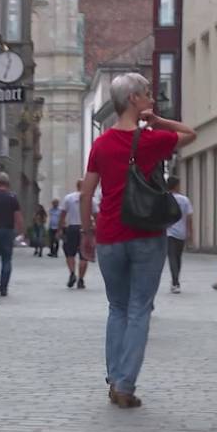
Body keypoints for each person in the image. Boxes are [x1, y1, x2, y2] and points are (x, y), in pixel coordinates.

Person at [80, 72, 196, 408]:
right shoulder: (152, 139)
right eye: (146, 94)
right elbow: (190, 133)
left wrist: (87, 232)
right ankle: (125, 385)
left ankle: (115, 376)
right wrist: (158, 121)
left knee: (116, 307)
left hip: (110, 235)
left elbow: (88, 191)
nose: (150, 99)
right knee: (139, 309)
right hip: (146, 233)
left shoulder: (100, 144)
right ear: (133, 100)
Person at [59, 180, 90, 289]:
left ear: (76, 186)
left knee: (70, 253)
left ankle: (72, 273)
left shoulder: (68, 198)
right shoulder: (90, 199)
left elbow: (62, 214)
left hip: (72, 227)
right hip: (85, 228)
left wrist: (60, 229)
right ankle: (81, 280)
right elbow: (96, 215)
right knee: (84, 255)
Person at [166, 176, 194, 294]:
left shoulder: (165, 199)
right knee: (178, 257)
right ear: (177, 185)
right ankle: (176, 280)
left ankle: (175, 282)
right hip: (181, 233)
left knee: (172, 257)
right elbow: (189, 218)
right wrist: (190, 232)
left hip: (168, 233)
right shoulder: (184, 200)